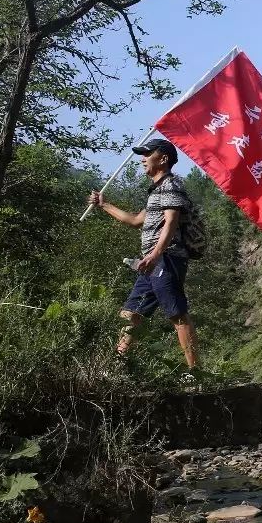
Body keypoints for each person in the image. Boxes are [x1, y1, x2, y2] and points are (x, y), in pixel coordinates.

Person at [87, 139, 198, 368]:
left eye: (148, 153)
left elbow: (170, 222)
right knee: (132, 314)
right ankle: (117, 366)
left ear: (163, 159)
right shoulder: (158, 190)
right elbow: (136, 220)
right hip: (151, 263)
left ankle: (195, 371)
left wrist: (156, 254)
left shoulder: (171, 186)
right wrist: (103, 205)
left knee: (177, 315)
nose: (142, 158)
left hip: (166, 259)